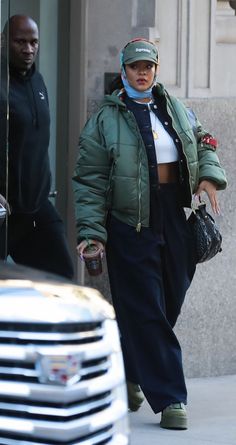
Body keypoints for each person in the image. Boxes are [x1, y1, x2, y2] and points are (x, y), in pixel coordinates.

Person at [72, 38, 227, 429]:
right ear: (123, 70)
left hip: (173, 217)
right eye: (135, 67)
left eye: (148, 67)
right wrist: (92, 233)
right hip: (129, 223)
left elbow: (205, 139)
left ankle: (130, 371)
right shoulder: (105, 119)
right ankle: (171, 397)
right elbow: (89, 180)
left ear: (156, 69)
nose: (142, 73)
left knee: (169, 298)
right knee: (146, 309)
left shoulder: (174, 107)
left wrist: (208, 176)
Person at [0, 15, 74, 280]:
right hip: (3, 210)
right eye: (20, 41)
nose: (28, 49)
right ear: (3, 42)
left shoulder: (38, 81)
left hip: (35, 207)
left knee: (62, 279)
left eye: (34, 42)